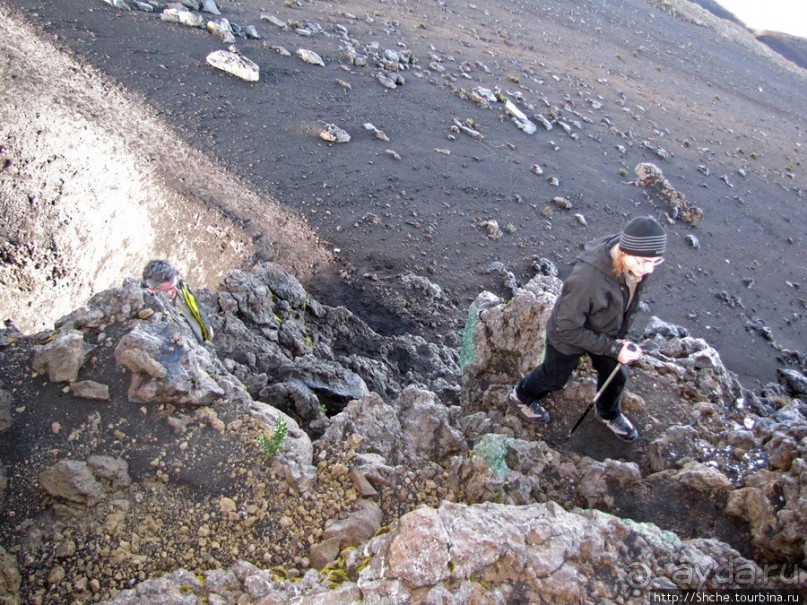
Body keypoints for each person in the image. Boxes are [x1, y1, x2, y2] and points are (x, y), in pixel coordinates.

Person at [507, 216, 667, 442]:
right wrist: (611, 348)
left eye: (655, 261)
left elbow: (626, 301)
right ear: (623, 251)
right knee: (554, 379)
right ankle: (520, 396)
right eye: (643, 262)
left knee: (616, 374)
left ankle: (608, 413)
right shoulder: (587, 280)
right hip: (569, 337)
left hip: (606, 331)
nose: (649, 269)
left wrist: (618, 340)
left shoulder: (635, 264)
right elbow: (566, 328)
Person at [141, 259, 214, 343]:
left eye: (175, 285)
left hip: (204, 341)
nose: (176, 289)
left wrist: (207, 327)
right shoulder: (154, 313)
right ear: (152, 289)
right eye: (169, 289)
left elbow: (196, 304)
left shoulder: (180, 285)